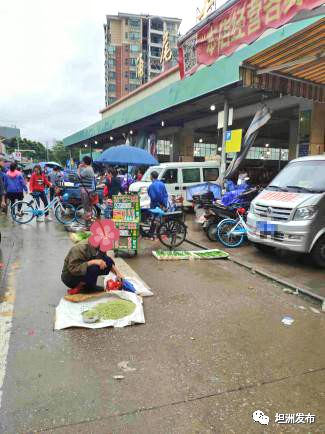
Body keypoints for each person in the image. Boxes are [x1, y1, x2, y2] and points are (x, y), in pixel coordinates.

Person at [78, 156, 96, 224]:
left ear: (84, 162)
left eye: (82, 161)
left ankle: (88, 224)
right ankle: (89, 224)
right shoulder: (90, 168)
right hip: (88, 191)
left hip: (85, 191)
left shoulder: (87, 169)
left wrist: (79, 168)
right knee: (88, 207)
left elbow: (79, 177)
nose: (81, 162)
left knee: (86, 208)